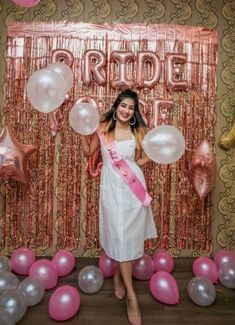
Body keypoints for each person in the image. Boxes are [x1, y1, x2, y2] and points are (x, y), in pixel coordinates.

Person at [81, 89, 157, 325]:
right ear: (116, 107)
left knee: (129, 238)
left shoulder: (138, 130)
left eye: (131, 108)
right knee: (120, 236)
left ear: (134, 112)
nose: (126, 111)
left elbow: (150, 155)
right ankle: (132, 297)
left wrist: (136, 164)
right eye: (123, 106)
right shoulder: (103, 128)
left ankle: (117, 275)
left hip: (133, 189)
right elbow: (88, 152)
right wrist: (82, 131)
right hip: (112, 190)